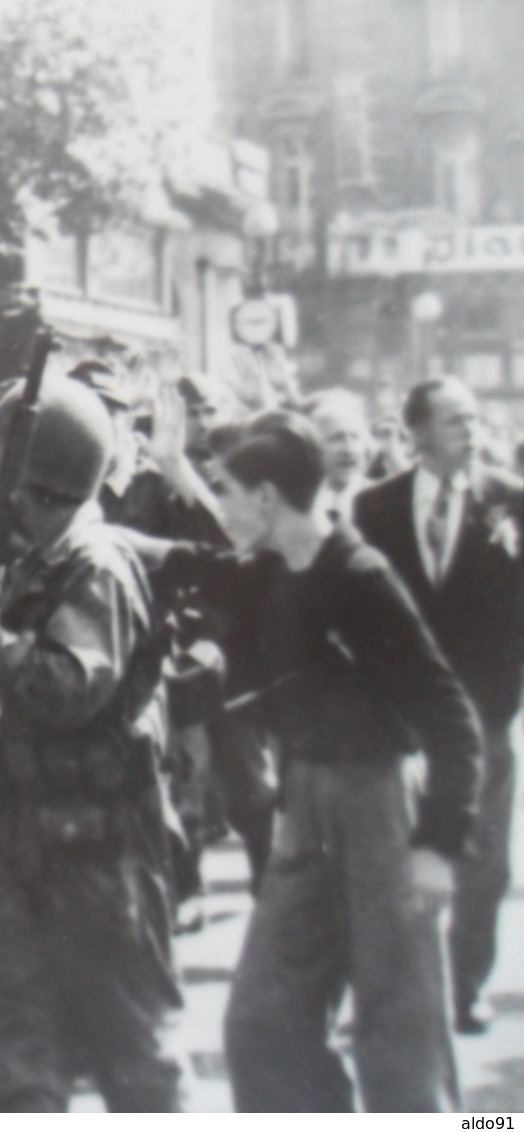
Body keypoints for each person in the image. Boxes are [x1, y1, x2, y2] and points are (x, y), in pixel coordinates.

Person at [143, 409, 483, 1111]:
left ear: (266, 498)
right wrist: (107, 534)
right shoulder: (271, 569)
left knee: (399, 1031)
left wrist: (439, 846)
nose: (224, 511)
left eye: (230, 495)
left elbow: (452, 721)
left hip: (382, 804)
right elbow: (195, 561)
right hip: (307, 805)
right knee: (262, 1021)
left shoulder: (361, 578)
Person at [0, 377, 182, 1112]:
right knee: (18, 1047)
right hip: (33, 831)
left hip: (97, 844)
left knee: (130, 1047)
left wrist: (0, 646)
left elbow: (70, 688)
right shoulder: (45, 560)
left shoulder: (95, 566)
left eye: (5, 471)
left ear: (35, 482)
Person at [354, 377, 524, 1036]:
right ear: (417, 431)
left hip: (483, 716)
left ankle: (466, 984)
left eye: (475, 419)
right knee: (401, 851)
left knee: (482, 858)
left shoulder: (510, 502)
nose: (471, 430)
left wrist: (501, 706)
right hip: (401, 716)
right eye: (455, 420)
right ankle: (406, 987)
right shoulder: (376, 507)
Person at [306, 388, 374, 523]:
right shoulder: (301, 503)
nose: (348, 449)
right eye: (337, 438)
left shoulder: (383, 501)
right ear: (314, 447)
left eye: (355, 438)